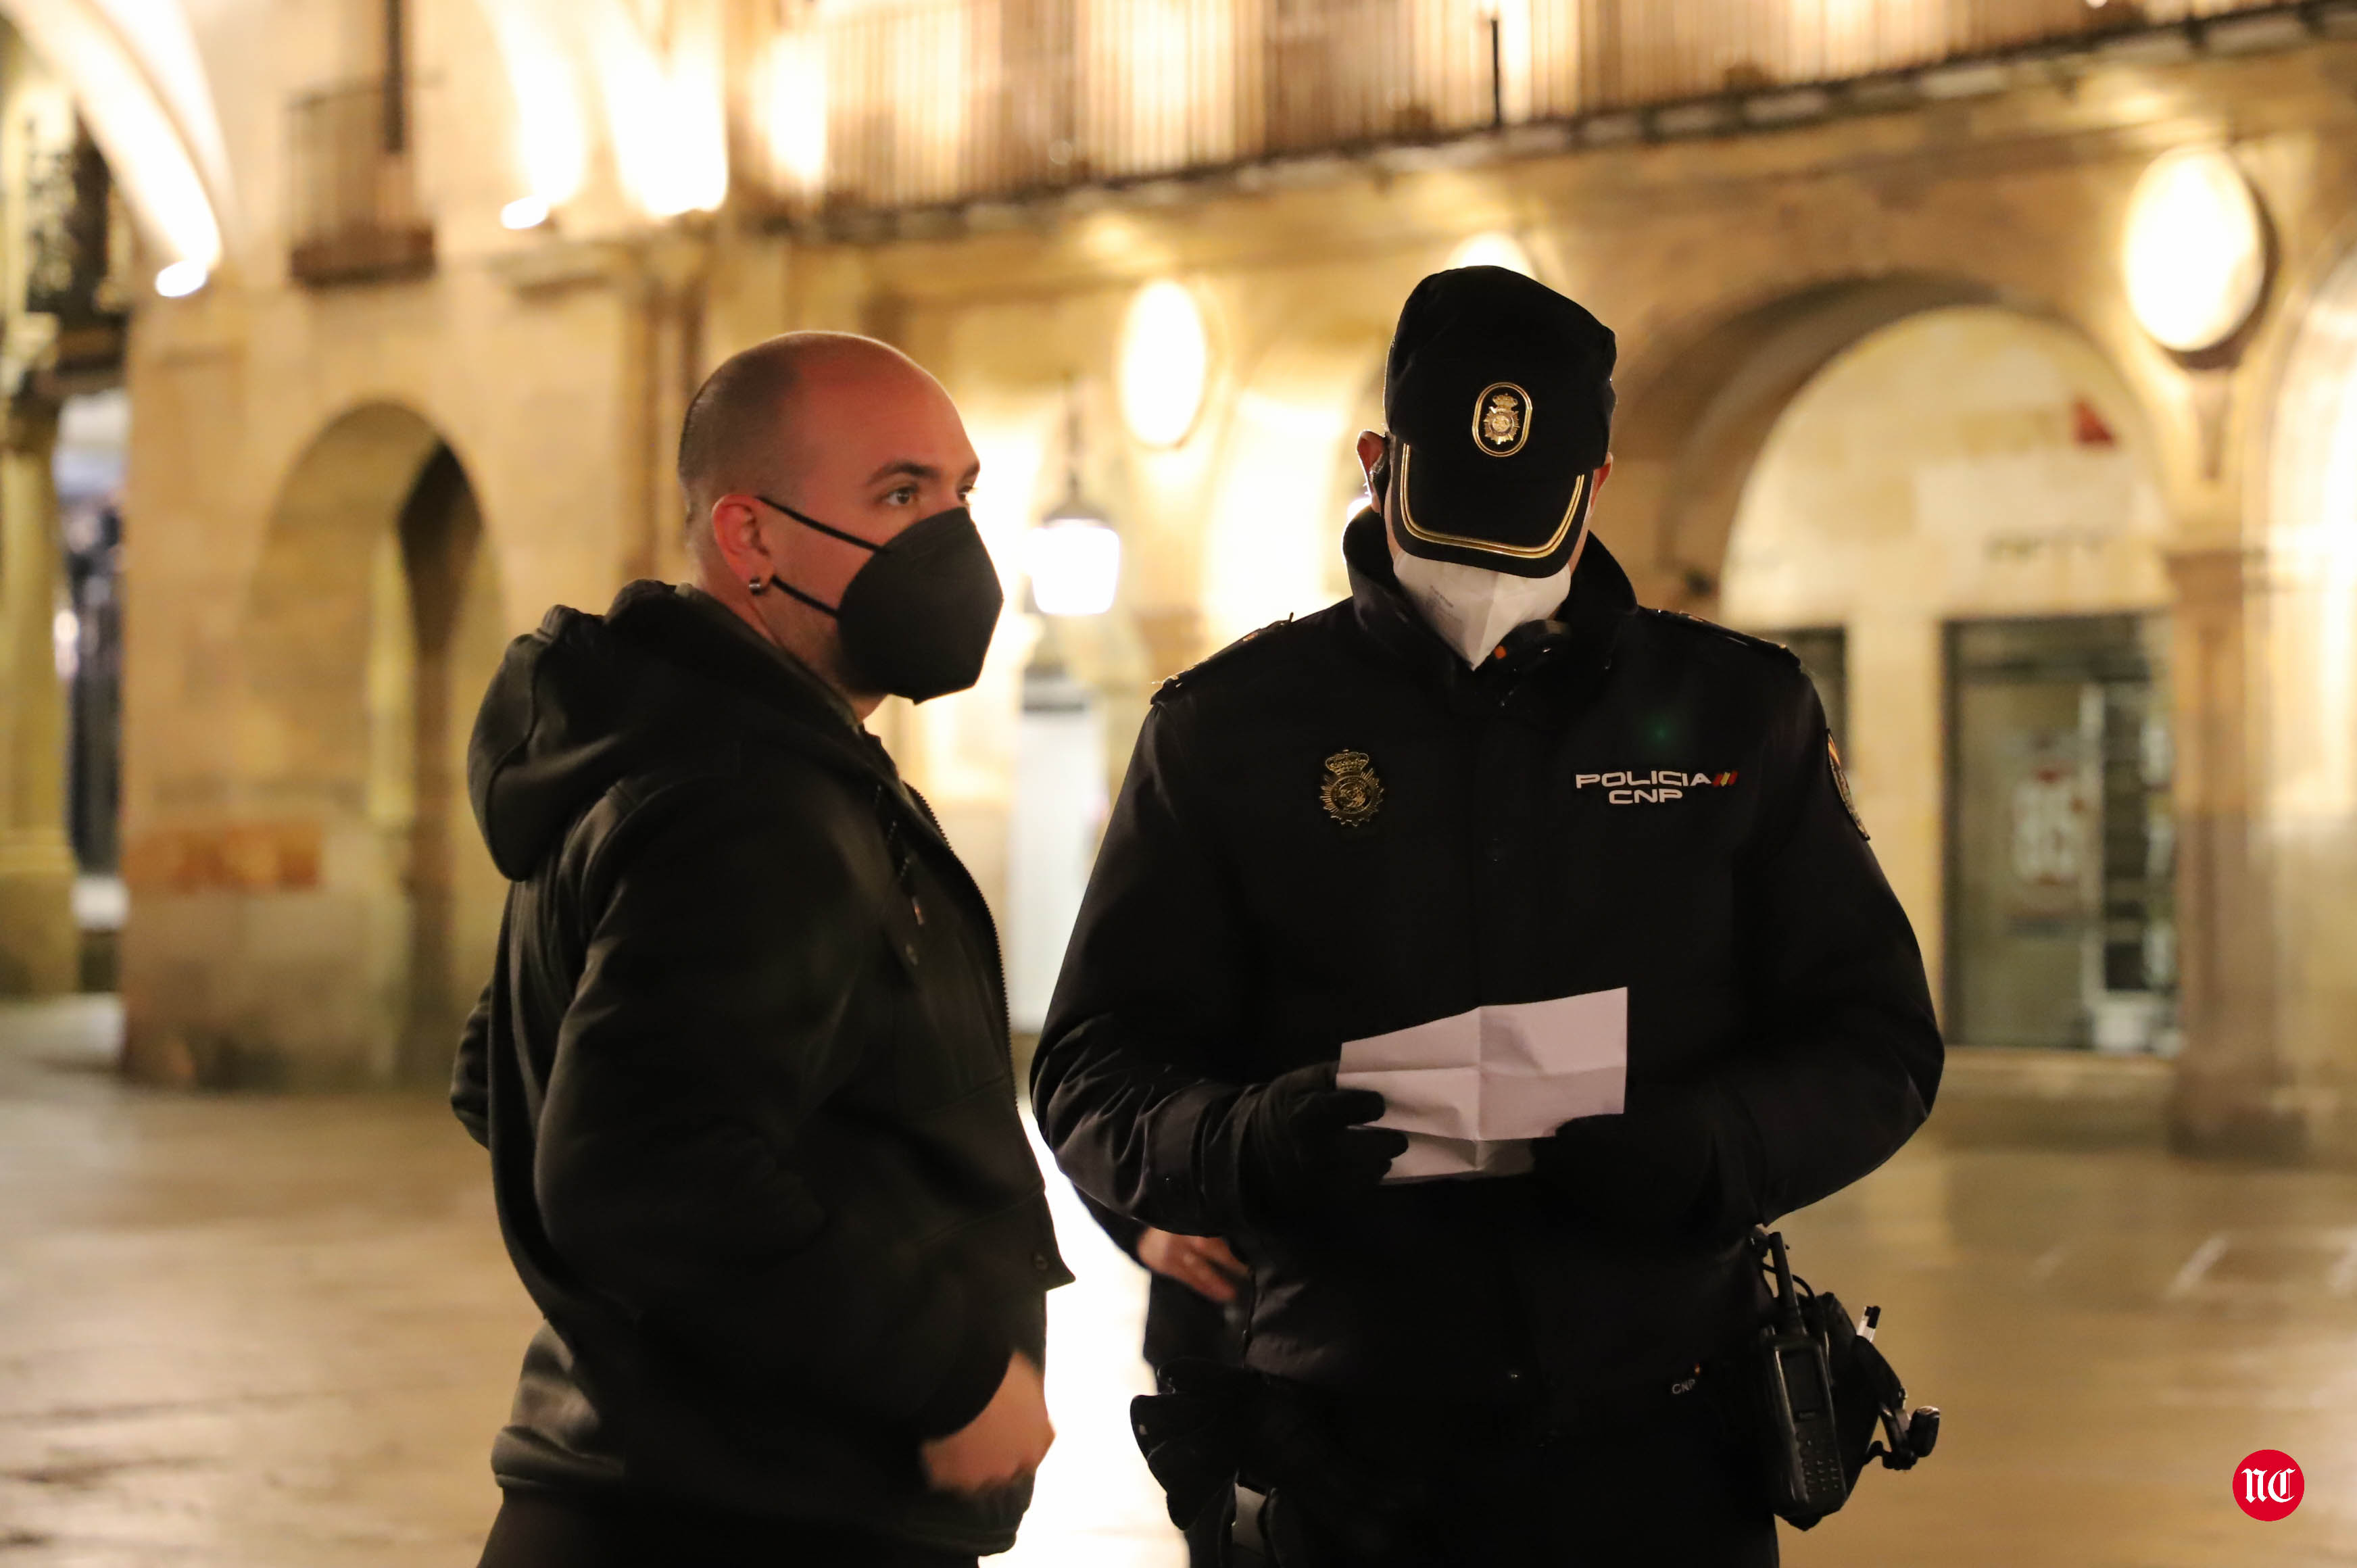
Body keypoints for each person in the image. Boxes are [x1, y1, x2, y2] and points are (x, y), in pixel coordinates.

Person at [1030, 267, 1943, 1567]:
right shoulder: (1229, 730)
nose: (1485, 579)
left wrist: (1711, 1150)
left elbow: (1878, 1041)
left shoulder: (1741, 714)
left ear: (1598, 484)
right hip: (1345, 1445)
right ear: (1375, 461)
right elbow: (1092, 1065)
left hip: (1663, 1436)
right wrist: (1241, 1144)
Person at [452, 332, 1069, 1568]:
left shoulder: (679, 756)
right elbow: (639, 1163)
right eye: (900, 495)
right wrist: (946, 1371)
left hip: (673, 1491)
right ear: (753, 539)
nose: (952, 538)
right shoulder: (745, 799)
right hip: (741, 1518)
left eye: (962, 493)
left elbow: (500, 1076)